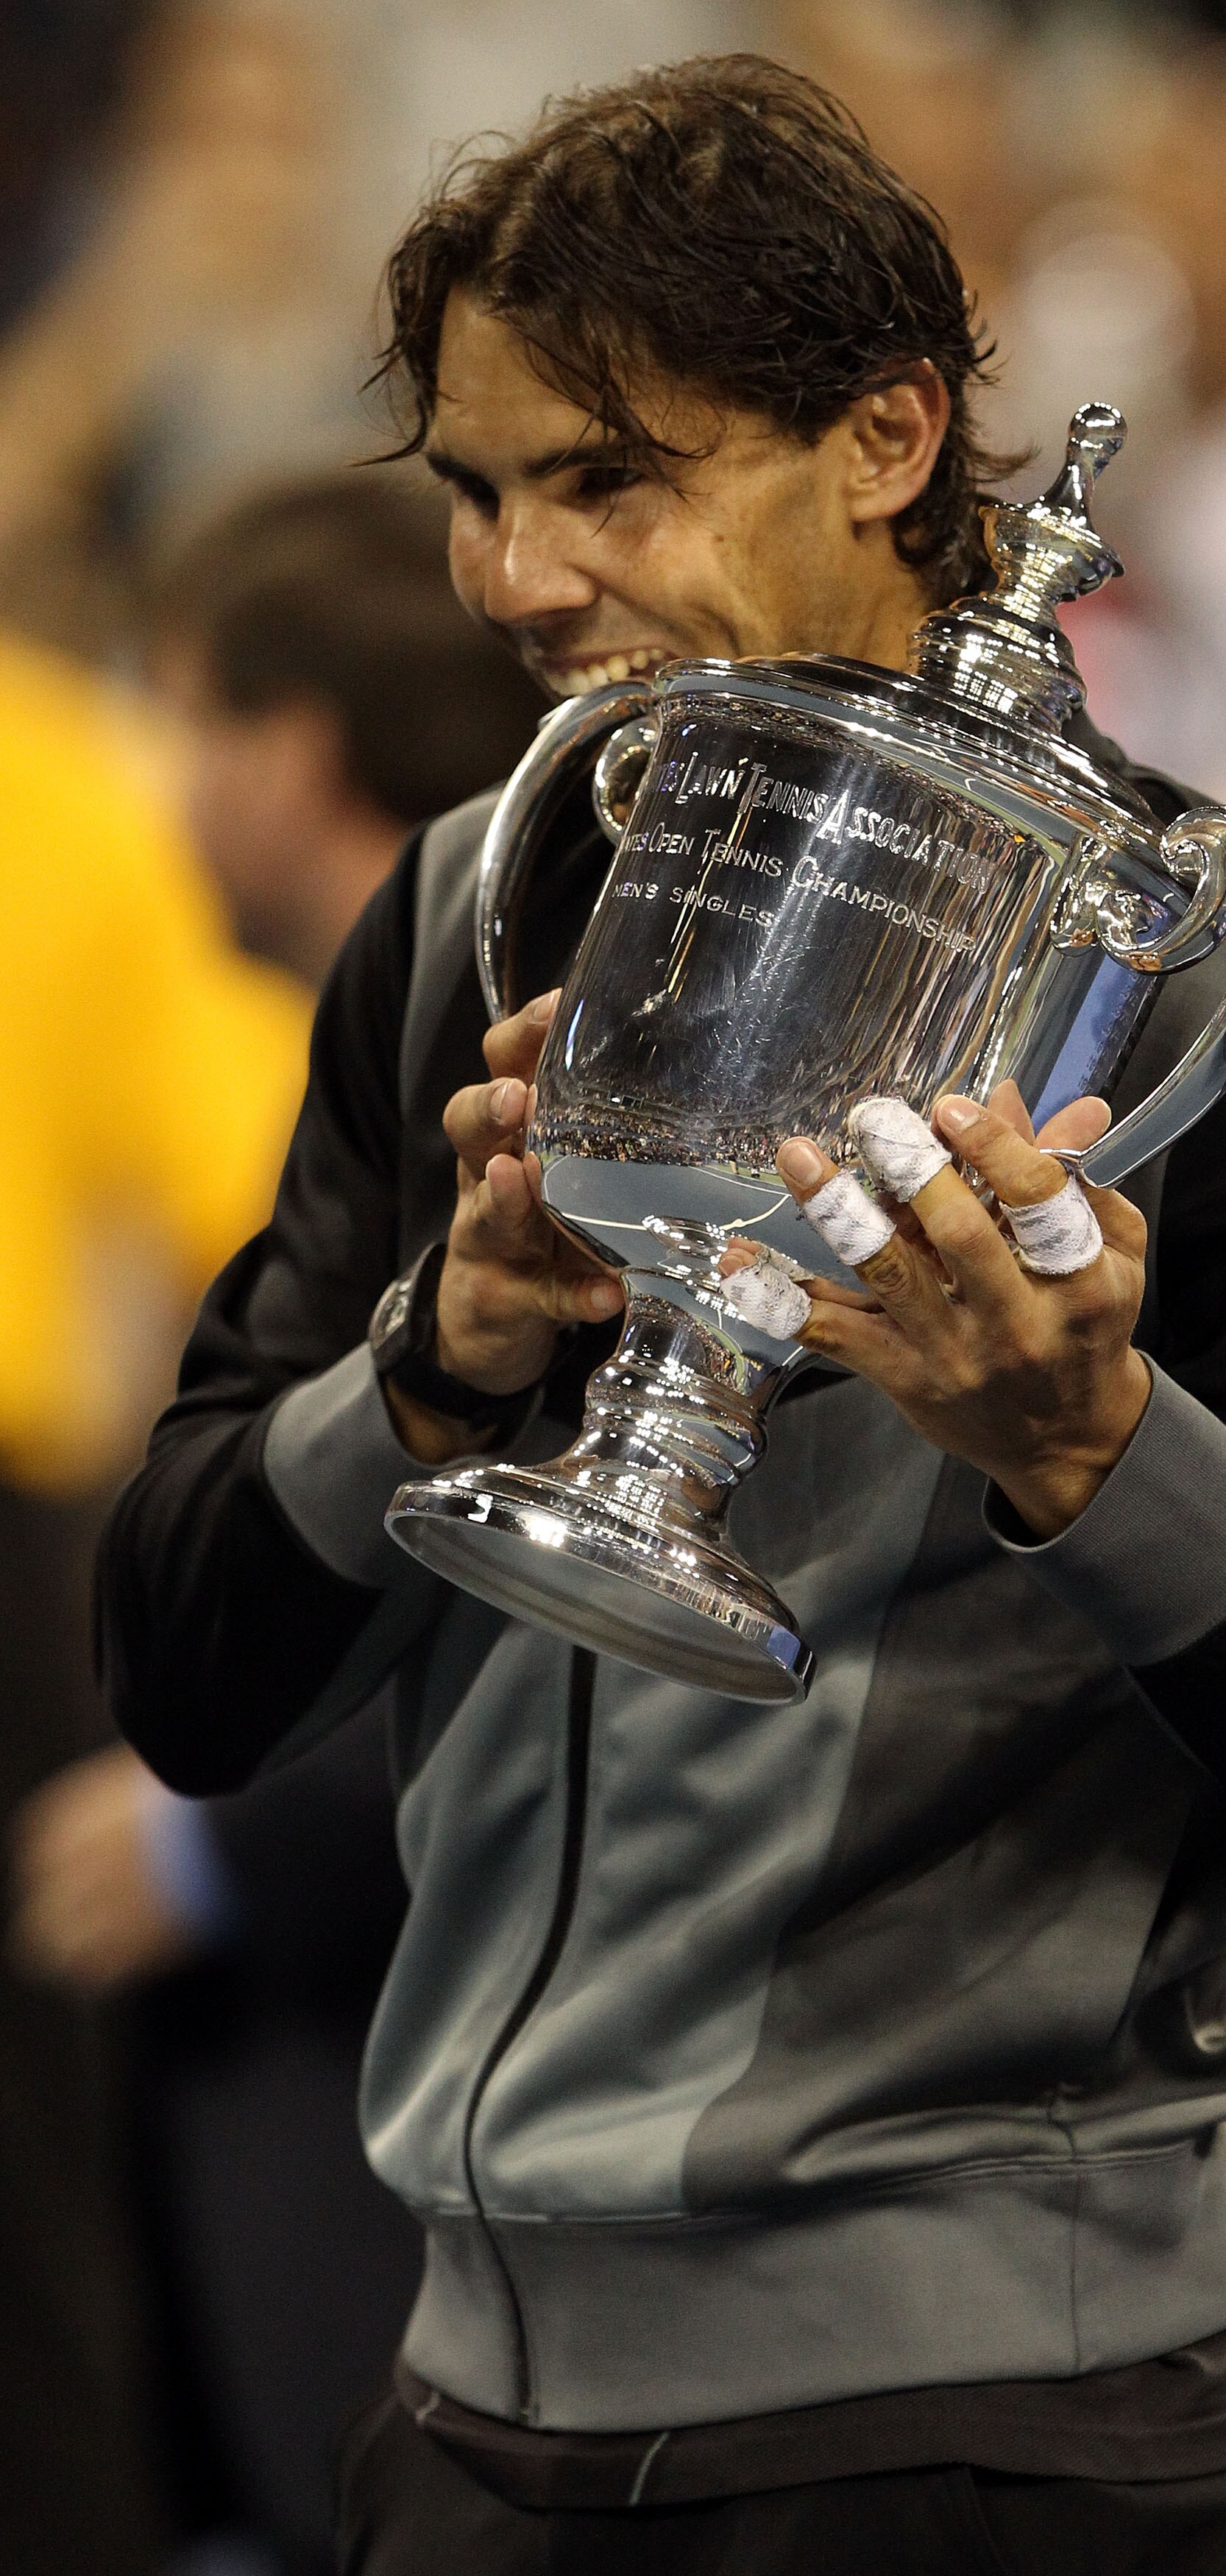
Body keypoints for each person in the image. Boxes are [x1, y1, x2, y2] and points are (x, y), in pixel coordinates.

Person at [97, 57, 1226, 2576]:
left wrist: (1095, 1453)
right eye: (478, 493)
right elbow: (187, 1668)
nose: (511, 578)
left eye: (611, 478)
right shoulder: (484, 905)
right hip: (463, 2416)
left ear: (890, 440)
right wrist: (432, 1367)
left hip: (998, 2449)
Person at [11, 471, 548, 2576]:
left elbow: (503, 1586)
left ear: (294, 744)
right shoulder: (323, 1051)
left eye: (188, 718)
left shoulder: (484, 1099)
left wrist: (214, 1844)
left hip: (434, 2095)